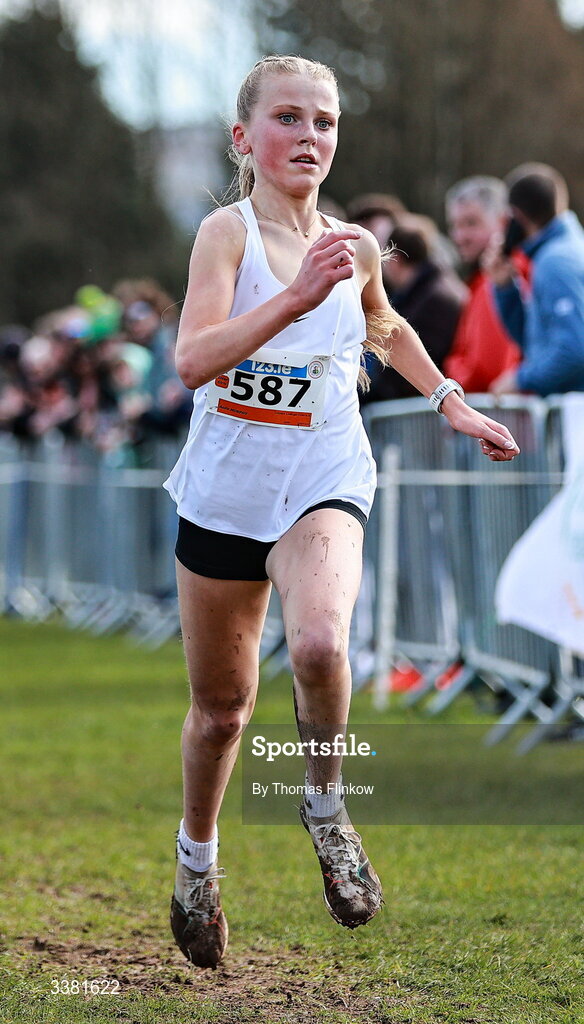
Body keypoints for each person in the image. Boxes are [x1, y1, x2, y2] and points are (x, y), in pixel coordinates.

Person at [162, 54, 520, 971]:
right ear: (246, 138)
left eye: (324, 122)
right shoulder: (225, 234)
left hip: (323, 470)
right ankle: (197, 862)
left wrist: (452, 401)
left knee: (322, 646)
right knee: (222, 711)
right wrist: (291, 298)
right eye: (289, 119)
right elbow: (193, 360)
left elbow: (384, 326)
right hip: (228, 488)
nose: (309, 137)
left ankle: (324, 806)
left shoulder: (357, 243)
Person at [484, 164, 584, 396]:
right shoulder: (564, 250)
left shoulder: (555, 261)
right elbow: (538, 343)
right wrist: (506, 287)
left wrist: (520, 379)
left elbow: (575, 349)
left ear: (515, 215)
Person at [362, 214, 467, 402]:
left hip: (419, 410)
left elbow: (406, 363)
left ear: (395, 259)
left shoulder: (433, 300)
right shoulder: (433, 290)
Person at [443, 176, 524, 393]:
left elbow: (485, 367)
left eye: (471, 223)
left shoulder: (497, 281)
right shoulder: (481, 281)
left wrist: (451, 376)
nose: (460, 236)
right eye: (455, 225)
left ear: (503, 222)